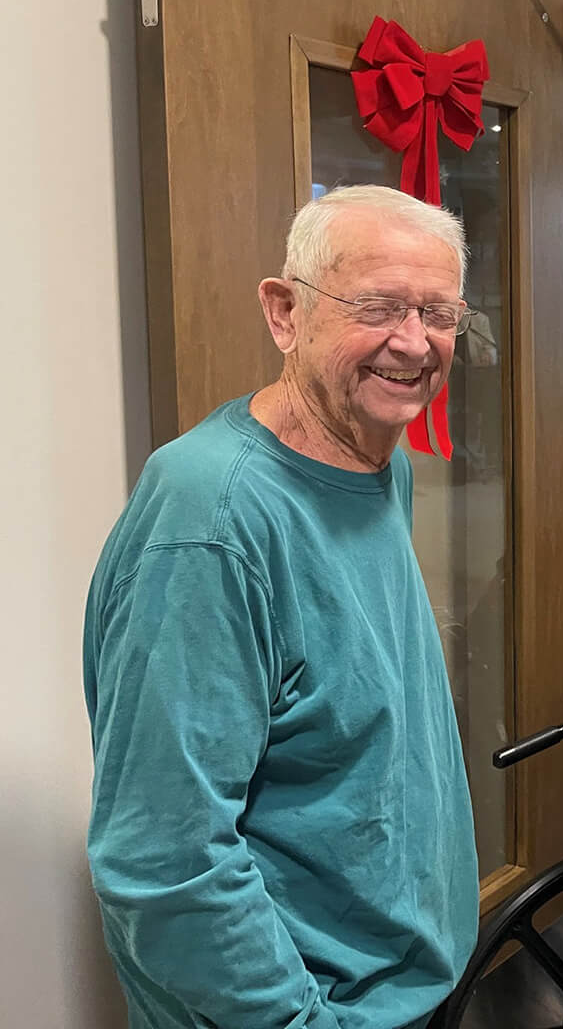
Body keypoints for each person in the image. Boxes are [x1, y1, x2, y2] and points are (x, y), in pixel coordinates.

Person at [83, 185, 478, 1029]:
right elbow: (164, 857)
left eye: (438, 313)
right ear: (285, 313)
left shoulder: (379, 460)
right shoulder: (211, 520)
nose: (414, 343)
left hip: (400, 985)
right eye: (378, 306)